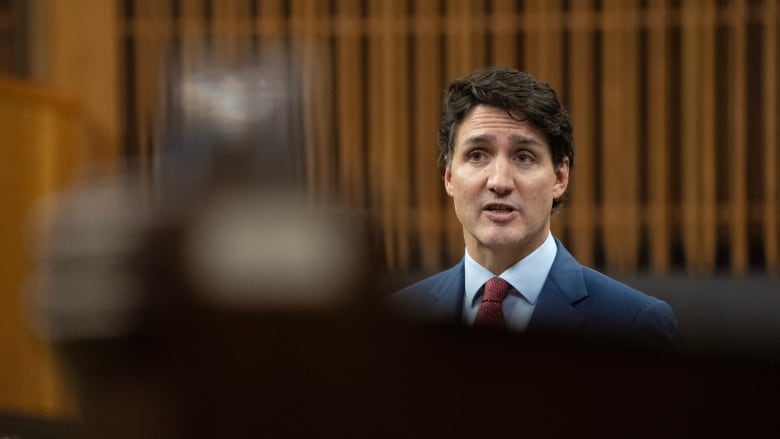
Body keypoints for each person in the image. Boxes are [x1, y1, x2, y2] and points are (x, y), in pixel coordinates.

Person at [389, 67, 678, 350]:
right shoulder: (398, 319)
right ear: (449, 176)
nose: (499, 182)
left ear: (560, 177)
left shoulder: (631, 324)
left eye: (523, 157)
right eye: (477, 155)